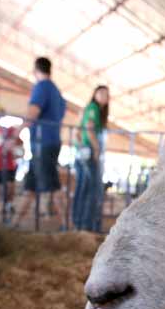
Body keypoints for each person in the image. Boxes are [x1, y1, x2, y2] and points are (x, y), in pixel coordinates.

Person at [16, 57, 67, 228]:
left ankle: (68, 225)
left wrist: (17, 132)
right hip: (49, 142)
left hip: (42, 143)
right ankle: (15, 223)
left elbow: (32, 113)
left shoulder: (41, 87)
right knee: (30, 185)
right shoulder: (57, 92)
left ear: (35, 70)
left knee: (53, 184)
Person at [72, 85, 109, 232]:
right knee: (93, 190)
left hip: (82, 152)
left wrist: (81, 146)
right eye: (101, 93)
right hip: (89, 152)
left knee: (83, 188)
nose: (104, 96)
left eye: (106, 94)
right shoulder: (93, 108)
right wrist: (96, 148)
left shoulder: (87, 109)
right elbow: (89, 127)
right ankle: (89, 227)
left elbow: (77, 132)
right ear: (94, 94)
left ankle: (79, 224)